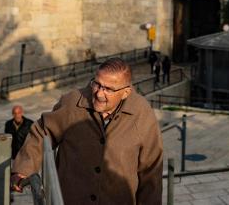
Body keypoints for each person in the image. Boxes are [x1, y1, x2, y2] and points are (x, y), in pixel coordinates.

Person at [10, 58, 163, 205]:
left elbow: (151, 171)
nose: (99, 93)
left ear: (126, 92)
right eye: (97, 84)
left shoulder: (142, 113)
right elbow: (42, 132)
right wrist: (24, 168)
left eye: (108, 89)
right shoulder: (72, 103)